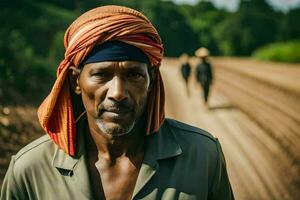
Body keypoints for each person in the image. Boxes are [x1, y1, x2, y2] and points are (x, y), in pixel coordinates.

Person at [1, 5, 234, 200]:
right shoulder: (29, 170)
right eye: (101, 75)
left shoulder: (203, 156)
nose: (118, 92)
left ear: (151, 80)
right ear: (75, 81)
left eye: (134, 75)